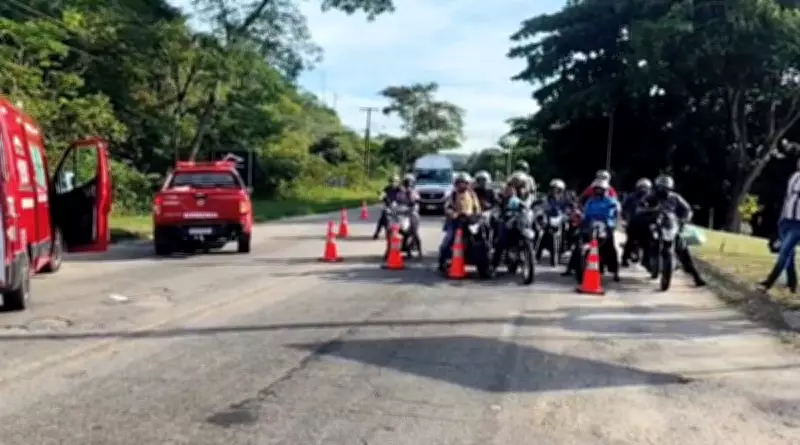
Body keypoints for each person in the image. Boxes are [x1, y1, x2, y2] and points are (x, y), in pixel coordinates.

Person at [645, 174, 706, 286]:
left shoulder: (675, 197)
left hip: (670, 225)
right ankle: (638, 256)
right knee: (639, 234)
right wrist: (647, 210)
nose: (663, 190)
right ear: (657, 187)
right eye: (661, 187)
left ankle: (696, 276)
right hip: (653, 224)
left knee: (682, 248)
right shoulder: (651, 196)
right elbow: (640, 206)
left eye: (666, 188)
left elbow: (687, 210)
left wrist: (685, 218)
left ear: (670, 188)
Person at [758, 159, 800, 293]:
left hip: (798, 223)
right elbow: (787, 198)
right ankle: (792, 283)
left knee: (784, 252)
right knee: (789, 253)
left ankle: (769, 282)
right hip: (786, 219)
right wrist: (781, 219)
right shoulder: (794, 176)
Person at [572, 178, 620, 281]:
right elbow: (585, 214)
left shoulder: (611, 201)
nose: (598, 191)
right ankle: (572, 268)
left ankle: (615, 271)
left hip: (604, 227)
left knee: (610, 247)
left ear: (605, 190)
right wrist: (580, 216)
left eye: (600, 189)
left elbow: (614, 214)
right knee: (578, 244)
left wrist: (611, 224)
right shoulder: (590, 201)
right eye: (596, 189)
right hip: (589, 226)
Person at [439, 172, 481, 270]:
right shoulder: (453, 194)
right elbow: (447, 207)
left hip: (470, 221)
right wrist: (453, 214)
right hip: (455, 221)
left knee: (480, 238)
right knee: (449, 238)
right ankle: (442, 260)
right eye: (460, 183)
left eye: (464, 183)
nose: (462, 185)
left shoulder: (472, 194)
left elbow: (477, 208)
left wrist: (476, 215)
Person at [621, 178, 653, 267]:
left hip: (646, 224)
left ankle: (647, 260)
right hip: (633, 222)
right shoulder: (631, 197)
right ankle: (625, 258)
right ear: (637, 188)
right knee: (630, 241)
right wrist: (625, 217)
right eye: (641, 187)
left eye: (645, 187)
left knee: (648, 242)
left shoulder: (651, 197)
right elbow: (624, 208)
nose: (643, 189)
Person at [373, 174, 402, 239]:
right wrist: (380, 196)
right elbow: (381, 197)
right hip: (388, 206)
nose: (393, 183)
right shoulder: (387, 188)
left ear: (398, 182)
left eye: (395, 181)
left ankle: (403, 232)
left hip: (397, 207)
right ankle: (377, 232)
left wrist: (398, 202)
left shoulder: (400, 189)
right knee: (382, 218)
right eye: (391, 181)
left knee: (401, 218)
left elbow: (404, 197)